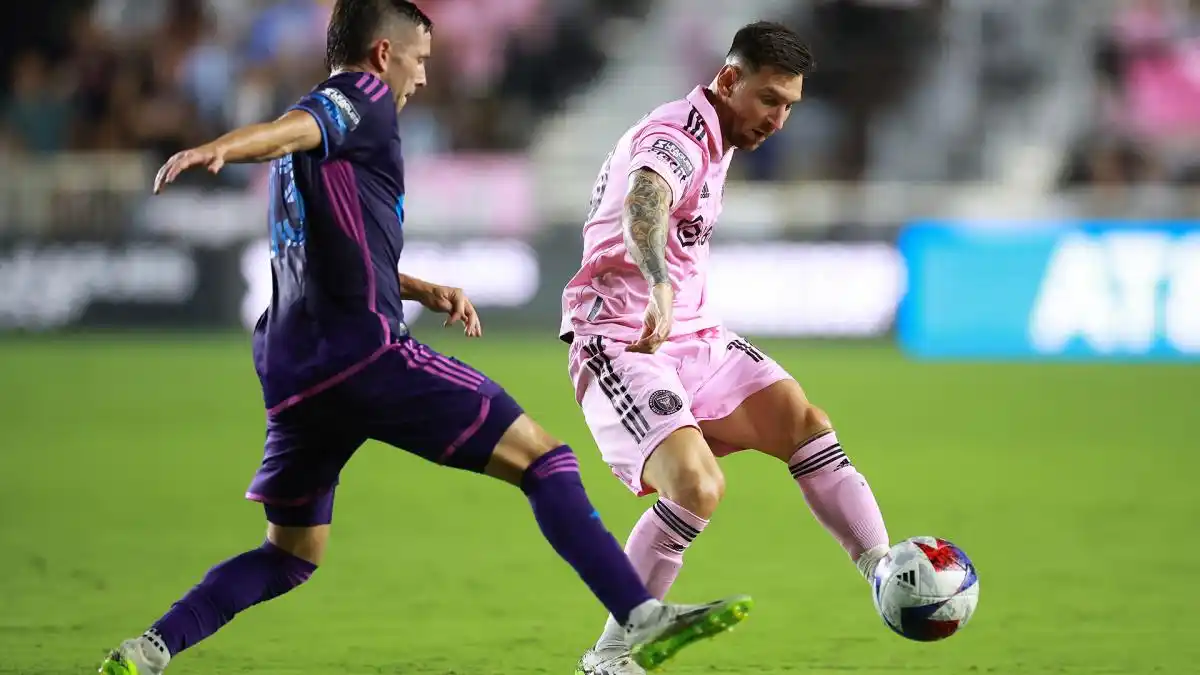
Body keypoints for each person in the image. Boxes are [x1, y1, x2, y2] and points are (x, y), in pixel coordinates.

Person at [98, 2, 753, 674]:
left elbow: (327, 239)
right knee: (545, 459)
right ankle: (639, 616)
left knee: (290, 554)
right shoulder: (362, 96)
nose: (423, 79)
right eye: (421, 60)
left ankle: (148, 649)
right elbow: (292, 128)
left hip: (294, 368)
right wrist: (224, 146)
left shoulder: (318, 143)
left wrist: (417, 287)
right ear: (384, 54)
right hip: (362, 354)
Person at [561, 21, 892, 675]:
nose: (779, 118)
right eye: (770, 99)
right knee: (696, 485)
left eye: (790, 105)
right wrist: (656, 281)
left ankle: (887, 570)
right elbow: (646, 198)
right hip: (623, 340)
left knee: (805, 423)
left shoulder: (719, 135)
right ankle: (611, 655)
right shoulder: (676, 134)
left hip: (697, 337)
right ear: (729, 80)